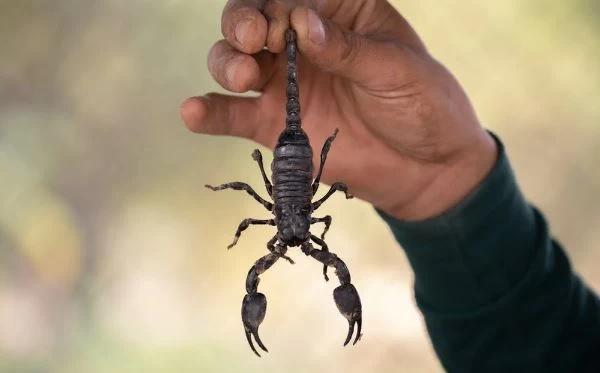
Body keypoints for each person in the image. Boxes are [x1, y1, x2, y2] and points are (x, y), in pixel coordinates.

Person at [180, 1, 600, 371]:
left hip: (290, 161)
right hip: (300, 161)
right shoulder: (312, 231)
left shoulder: (283, 233)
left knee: (265, 266)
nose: (294, 243)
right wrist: (446, 188)